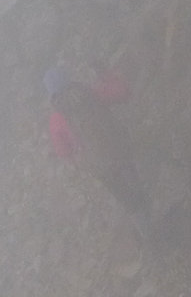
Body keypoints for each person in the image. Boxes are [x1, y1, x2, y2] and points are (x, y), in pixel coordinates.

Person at [46, 64, 154, 226]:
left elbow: (63, 152)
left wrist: (79, 158)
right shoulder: (89, 93)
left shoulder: (56, 119)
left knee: (127, 199)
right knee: (136, 185)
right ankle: (151, 215)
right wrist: (106, 75)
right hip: (118, 148)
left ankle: (146, 229)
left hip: (98, 165)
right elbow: (122, 92)